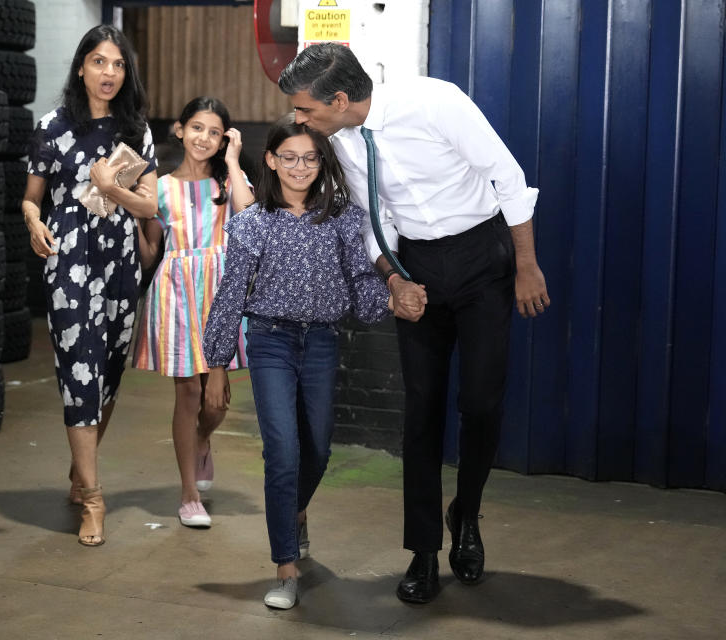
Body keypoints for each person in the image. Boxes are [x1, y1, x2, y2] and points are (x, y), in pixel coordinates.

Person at [279, 43, 550, 604]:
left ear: (339, 98)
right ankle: (423, 551)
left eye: (305, 109)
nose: (299, 120)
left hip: (482, 259)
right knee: (421, 412)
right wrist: (394, 280)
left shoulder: (434, 103)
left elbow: (508, 176)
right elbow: (374, 220)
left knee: (481, 403)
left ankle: (466, 513)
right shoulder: (344, 144)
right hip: (417, 267)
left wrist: (525, 264)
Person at [201, 115, 408, 610]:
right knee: (282, 451)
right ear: (270, 161)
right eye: (288, 157)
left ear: (322, 163)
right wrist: (215, 364)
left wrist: (397, 297)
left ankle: (293, 513)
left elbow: (361, 283)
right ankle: (286, 567)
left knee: (316, 449)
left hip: (321, 343)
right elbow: (231, 294)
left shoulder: (341, 218)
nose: (299, 167)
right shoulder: (252, 221)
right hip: (270, 342)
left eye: (309, 158)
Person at [22, 24, 157, 547]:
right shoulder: (52, 126)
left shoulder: (137, 130)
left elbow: (149, 207)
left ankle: (81, 472)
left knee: (107, 378)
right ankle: (94, 500)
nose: (109, 73)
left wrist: (109, 189)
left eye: (118, 64)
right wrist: (33, 220)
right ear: (81, 67)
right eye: (99, 62)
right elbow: (32, 196)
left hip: (120, 264)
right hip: (70, 268)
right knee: (79, 376)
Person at [131, 96, 253, 528]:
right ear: (180, 130)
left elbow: (252, 217)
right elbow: (150, 254)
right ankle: (187, 495)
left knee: (216, 403)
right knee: (189, 394)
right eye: (197, 128)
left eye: (215, 132)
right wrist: (129, 214)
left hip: (221, 292)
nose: (205, 138)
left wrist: (235, 161)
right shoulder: (159, 187)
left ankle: (202, 438)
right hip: (176, 293)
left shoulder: (228, 184)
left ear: (225, 139)